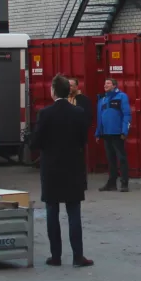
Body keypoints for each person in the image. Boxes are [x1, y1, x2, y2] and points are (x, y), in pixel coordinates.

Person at [33, 74, 93, 267]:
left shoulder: (45, 114)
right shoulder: (79, 112)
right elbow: (83, 139)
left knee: (52, 211)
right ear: (69, 91)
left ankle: (56, 256)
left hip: (51, 169)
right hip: (73, 167)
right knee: (74, 211)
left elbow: (36, 142)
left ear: (52, 91)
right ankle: (78, 256)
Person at [96, 77, 131, 193]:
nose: (105, 85)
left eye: (108, 83)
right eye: (105, 83)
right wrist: (98, 132)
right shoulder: (103, 99)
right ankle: (111, 183)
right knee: (110, 159)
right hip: (106, 134)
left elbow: (126, 114)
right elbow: (99, 118)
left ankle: (124, 183)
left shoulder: (121, 97)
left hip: (117, 133)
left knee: (121, 158)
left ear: (114, 86)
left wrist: (124, 131)